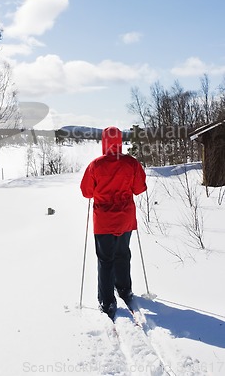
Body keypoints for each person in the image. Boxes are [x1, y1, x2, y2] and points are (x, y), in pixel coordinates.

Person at [80, 126, 147, 320]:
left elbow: (86, 192)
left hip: (104, 220)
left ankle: (107, 301)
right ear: (119, 141)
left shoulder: (96, 165)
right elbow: (139, 188)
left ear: (104, 142)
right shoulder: (131, 163)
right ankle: (125, 290)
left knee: (105, 259)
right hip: (125, 218)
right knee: (122, 253)